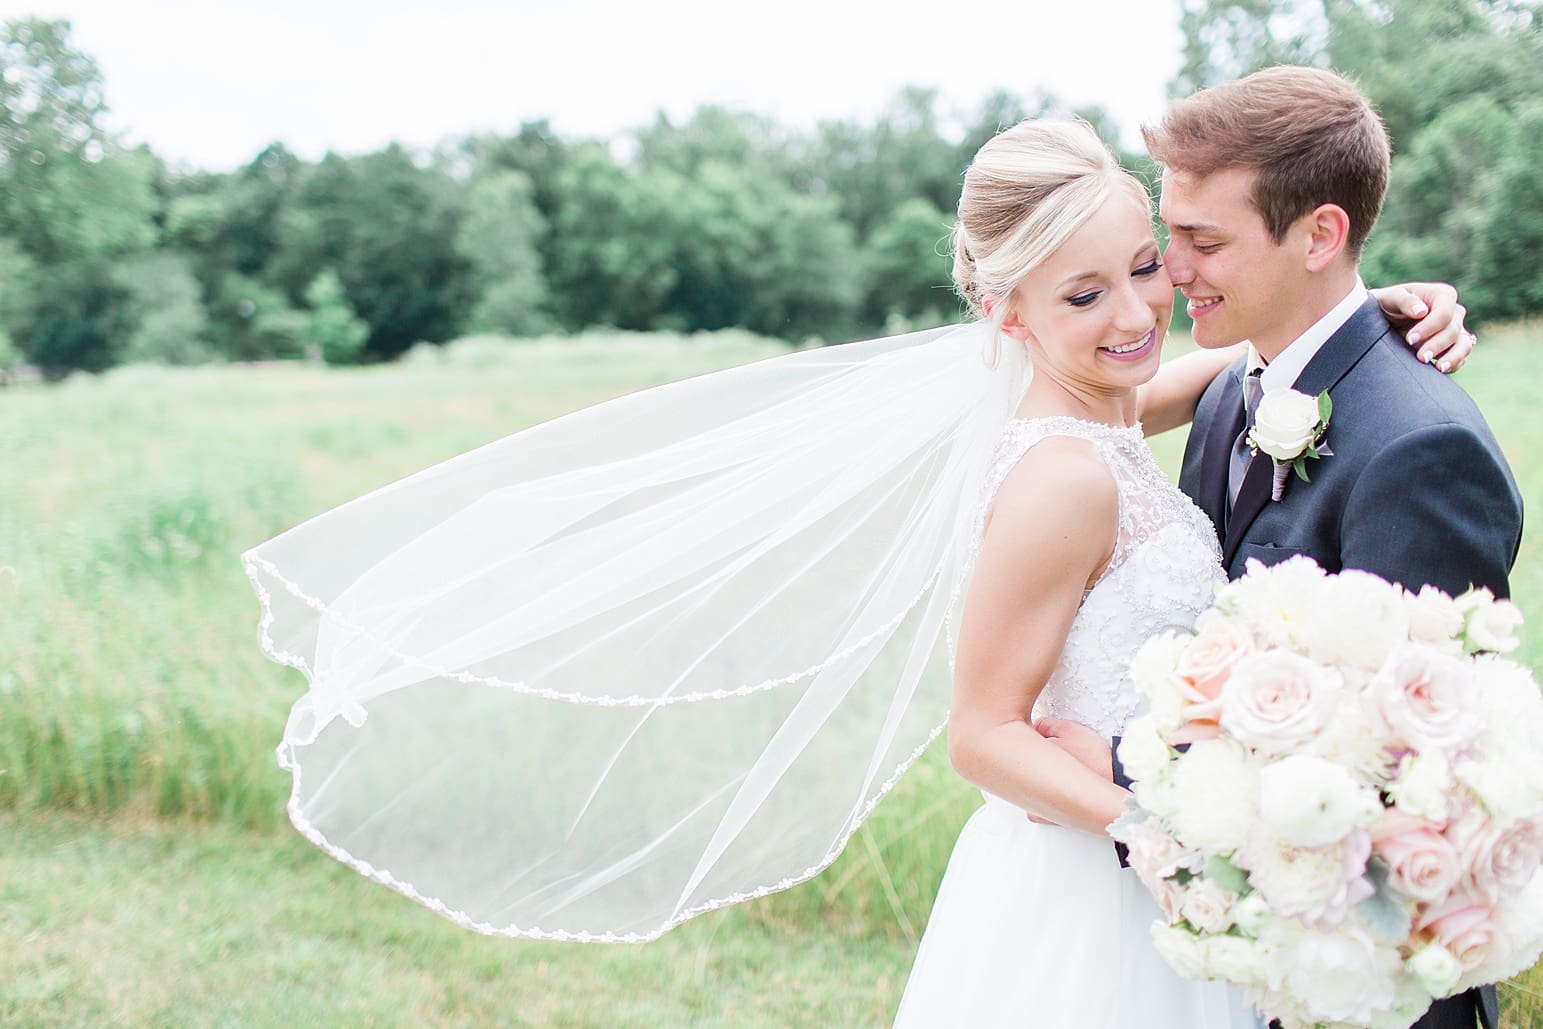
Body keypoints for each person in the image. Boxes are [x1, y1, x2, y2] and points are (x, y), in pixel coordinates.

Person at [242, 104, 1470, 1015]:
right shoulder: (1056, 477)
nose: (1135, 314)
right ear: (1007, 315)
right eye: (1082, 295)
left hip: (1139, 869)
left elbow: (1242, 375)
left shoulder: (1109, 411)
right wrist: (1163, 838)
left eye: (1144, 266)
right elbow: (980, 734)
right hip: (1097, 876)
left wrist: (1376, 310)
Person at [1040, 67, 1522, 1029]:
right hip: (1241, 947)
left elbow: (1395, 780)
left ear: (1320, 234)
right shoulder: (1232, 389)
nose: (1170, 272)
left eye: (1203, 240)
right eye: (1169, 234)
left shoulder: (1422, 449)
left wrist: (1113, 766)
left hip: (1362, 981)